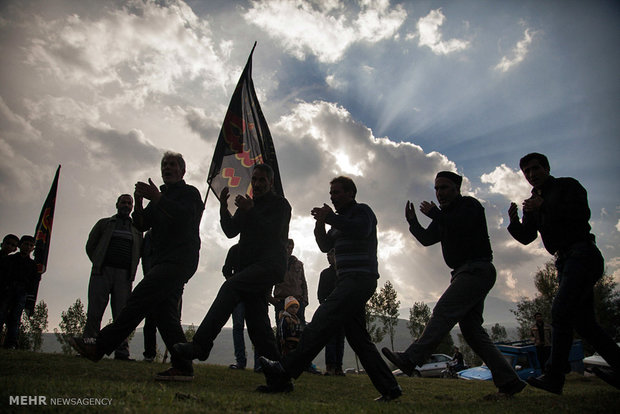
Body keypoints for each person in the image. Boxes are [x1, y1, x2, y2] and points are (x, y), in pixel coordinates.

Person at [382, 171, 526, 399]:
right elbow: (427, 239)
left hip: (476, 269)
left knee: (443, 311)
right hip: (463, 273)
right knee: (472, 331)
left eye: (445, 188)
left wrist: (435, 214)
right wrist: (412, 222)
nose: (440, 193)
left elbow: (461, 225)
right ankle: (509, 381)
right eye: (437, 189)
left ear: (457, 189)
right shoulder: (444, 215)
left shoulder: (469, 206)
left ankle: (410, 359)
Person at [258, 176, 402, 401]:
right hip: (347, 281)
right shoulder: (339, 220)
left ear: (350, 193)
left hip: (359, 279)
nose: (333, 197)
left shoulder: (362, 212)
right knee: (359, 339)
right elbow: (325, 244)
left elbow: (361, 230)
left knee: (322, 319)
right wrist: (320, 224)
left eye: (337, 192)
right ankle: (390, 389)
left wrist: (331, 218)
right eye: (331, 194)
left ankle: (284, 370)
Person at [69, 151, 204, 381]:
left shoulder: (189, 194)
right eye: (164, 165)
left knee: (138, 298)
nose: (167, 169)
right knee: (165, 314)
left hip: (180, 260)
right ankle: (183, 367)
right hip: (162, 260)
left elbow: (185, 218)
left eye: (172, 165)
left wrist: (158, 199)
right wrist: (140, 203)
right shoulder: (160, 197)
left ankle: (99, 345)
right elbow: (141, 225)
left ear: (183, 170)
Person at [507, 152, 620, 393]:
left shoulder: (567, 186)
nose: (531, 175)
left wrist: (545, 206)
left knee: (560, 312)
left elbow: (581, 215)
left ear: (546, 168)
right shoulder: (533, 202)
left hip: (583, 254)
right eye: (526, 172)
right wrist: (513, 221)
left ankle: (554, 376)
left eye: (535, 168)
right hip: (565, 262)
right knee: (586, 324)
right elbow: (527, 237)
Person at [173, 164, 291, 382]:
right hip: (250, 268)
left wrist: (251, 210)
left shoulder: (280, 205)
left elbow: (273, 233)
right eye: (254, 179)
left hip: (269, 266)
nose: (257, 184)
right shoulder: (248, 205)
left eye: (262, 180)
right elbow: (230, 231)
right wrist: (222, 208)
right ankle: (279, 380)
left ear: (271, 182)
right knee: (258, 325)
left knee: (231, 286)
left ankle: (201, 344)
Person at [83, 194, 143, 361]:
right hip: (102, 272)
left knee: (122, 315)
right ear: (117, 204)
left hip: (124, 277)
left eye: (129, 203)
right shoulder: (104, 224)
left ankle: (122, 351)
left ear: (132, 207)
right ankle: (89, 346)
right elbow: (91, 246)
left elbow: (140, 253)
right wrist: (98, 263)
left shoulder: (137, 230)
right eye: (123, 202)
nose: (126, 205)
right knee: (95, 312)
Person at [223, 243, 260, 371]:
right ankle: (243, 362)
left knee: (253, 328)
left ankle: (257, 363)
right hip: (241, 295)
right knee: (240, 327)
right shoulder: (235, 250)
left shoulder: (258, 249)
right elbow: (226, 271)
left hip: (253, 294)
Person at [0, 235, 39, 348]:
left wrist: (28, 295)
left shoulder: (32, 265)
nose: (28, 247)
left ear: (33, 248)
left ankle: (11, 343)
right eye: (26, 244)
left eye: (31, 245)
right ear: (20, 245)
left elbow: (34, 282)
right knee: (1, 314)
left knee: (15, 318)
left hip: (21, 293)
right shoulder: (8, 260)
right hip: (7, 291)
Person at [318, 249, 345, 376]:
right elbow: (320, 294)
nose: (329, 257)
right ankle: (330, 367)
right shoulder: (324, 274)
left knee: (340, 340)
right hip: (329, 310)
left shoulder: (343, 272)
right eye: (328, 255)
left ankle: (339, 367)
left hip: (343, 310)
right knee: (330, 339)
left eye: (332, 254)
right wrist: (325, 305)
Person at [270, 239, 308, 324]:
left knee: (299, 329)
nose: (289, 250)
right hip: (281, 300)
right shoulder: (276, 263)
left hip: (297, 301)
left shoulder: (299, 264)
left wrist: (305, 300)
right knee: (282, 328)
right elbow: (269, 281)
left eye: (291, 248)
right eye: (287, 248)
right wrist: (271, 299)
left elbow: (303, 282)